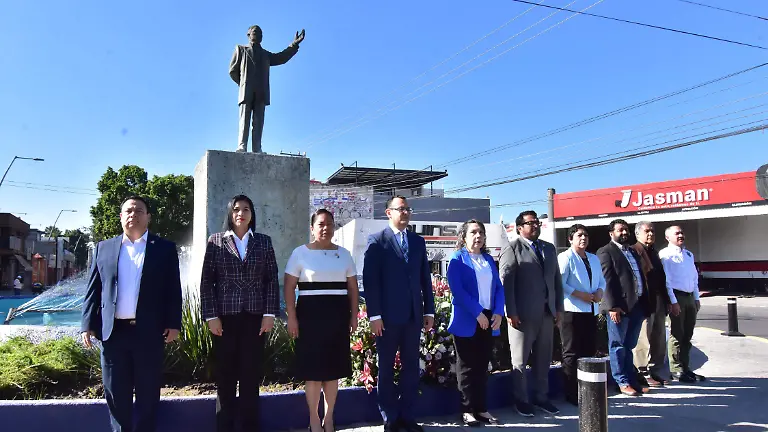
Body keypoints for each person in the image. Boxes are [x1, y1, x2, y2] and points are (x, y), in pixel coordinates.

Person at [80, 196, 183, 432]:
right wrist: (87, 323)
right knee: (116, 395)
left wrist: (173, 323)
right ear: (120, 216)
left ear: (148, 217)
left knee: (148, 395)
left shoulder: (164, 249)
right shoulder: (103, 248)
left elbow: (172, 290)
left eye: (139, 210)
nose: (132, 215)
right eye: (127, 211)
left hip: (148, 332)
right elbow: (93, 289)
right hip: (114, 334)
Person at [200, 194, 280, 432]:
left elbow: (271, 280)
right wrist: (211, 315)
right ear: (230, 213)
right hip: (224, 319)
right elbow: (207, 282)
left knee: (250, 376)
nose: (241, 213)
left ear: (252, 214)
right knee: (225, 377)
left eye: (246, 209)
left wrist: (270, 314)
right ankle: (224, 427)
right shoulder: (216, 241)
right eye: (236, 209)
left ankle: (249, 427)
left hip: (255, 318)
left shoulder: (264, 242)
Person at [363, 196, 435, 432]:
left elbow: (425, 278)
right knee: (385, 369)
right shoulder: (377, 241)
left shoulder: (417, 242)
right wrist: (374, 316)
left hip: (413, 316)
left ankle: (408, 416)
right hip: (387, 318)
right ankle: (390, 418)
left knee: (411, 368)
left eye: (408, 209)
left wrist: (429, 311)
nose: (405, 213)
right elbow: (371, 282)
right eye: (400, 209)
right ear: (388, 212)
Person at [284, 209, 359, 432]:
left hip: (337, 319)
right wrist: (292, 318)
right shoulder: (300, 253)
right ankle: (314, 419)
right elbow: (289, 288)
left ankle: (329, 418)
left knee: (333, 372)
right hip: (309, 320)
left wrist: (354, 315)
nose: (325, 228)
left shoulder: (344, 254)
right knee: (314, 373)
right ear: (312, 227)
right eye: (321, 224)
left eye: (329, 224)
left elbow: (353, 289)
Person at [498, 210, 563, 417]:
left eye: (537, 222)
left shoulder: (549, 248)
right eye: (530, 223)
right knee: (520, 360)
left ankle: (541, 397)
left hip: (546, 313)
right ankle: (521, 400)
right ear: (520, 228)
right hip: (522, 315)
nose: (535, 225)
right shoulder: (512, 248)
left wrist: (558, 308)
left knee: (544, 359)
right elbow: (506, 282)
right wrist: (511, 311)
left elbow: (556, 281)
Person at [446, 219, 505, 427]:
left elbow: (499, 288)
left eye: (481, 232)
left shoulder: (488, 259)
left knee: (482, 366)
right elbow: (458, 290)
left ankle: (481, 409)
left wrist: (498, 312)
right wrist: (478, 312)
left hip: (488, 319)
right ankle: (467, 410)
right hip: (467, 319)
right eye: (473, 232)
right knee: (466, 367)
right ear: (464, 236)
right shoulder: (457, 259)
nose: (478, 236)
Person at [596, 219, 651, 397]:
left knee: (629, 346)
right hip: (619, 308)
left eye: (626, 229)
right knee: (617, 345)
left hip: (637, 306)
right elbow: (607, 280)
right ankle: (622, 381)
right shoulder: (606, 252)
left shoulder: (632, 251)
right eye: (620, 230)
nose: (624, 233)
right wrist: (612, 306)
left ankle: (632, 379)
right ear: (611, 233)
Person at [230, 25, 305, 153]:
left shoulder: (266, 55)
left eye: (260, 33)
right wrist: (242, 83)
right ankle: (242, 145)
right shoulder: (241, 49)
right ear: (248, 35)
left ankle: (257, 148)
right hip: (246, 91)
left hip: (261, 93)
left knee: (258, 122)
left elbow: (281, 57)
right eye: (255, 32)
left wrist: (294, 45)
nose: (258, 34)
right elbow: (233, 71)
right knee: (245, 119)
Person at [557, 224, 605, 406]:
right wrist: (579, 294)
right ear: (570, 239)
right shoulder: (565, 257)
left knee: (588, 351)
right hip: (572, 311)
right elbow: (560, 283)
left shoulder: (593, 258)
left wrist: (600, 291)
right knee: (571, 353)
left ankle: (588, 389)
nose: (583, 238)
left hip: (590, 310)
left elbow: (602, 279)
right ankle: (571, 392)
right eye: (579, 235)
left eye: (585, 235)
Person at [659, 225, 705, 383]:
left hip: (690, 296)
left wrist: (697, 297)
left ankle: (686, 367)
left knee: (688, 334)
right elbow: (667, 281)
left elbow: (694, 278)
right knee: (677, 334)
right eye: (676, 233)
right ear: (667, 238)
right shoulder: (665, 255)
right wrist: (673, 301)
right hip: (677, 297)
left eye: (681, 232)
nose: (680, 235)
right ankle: (676, 369)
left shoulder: (688, 254)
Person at [631, 222, 672, 387]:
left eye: (653, 231)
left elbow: (662, 279)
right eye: (646, 231)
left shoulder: (654, 252)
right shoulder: (634, 251)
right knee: (643, 339)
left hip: (658, 301)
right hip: (644, 302)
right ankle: (642, 372)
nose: (650, 234)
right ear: (637, 234)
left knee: (659, 337)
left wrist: (667, 301)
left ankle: (655, 370)